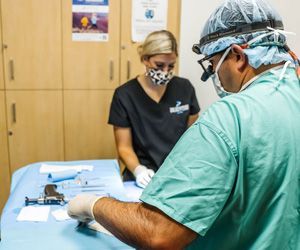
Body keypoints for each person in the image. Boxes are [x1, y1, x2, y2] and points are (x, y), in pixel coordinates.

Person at [68, 0, 300, 249]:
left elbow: (159, 234)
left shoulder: (229, 118)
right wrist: (139, 171)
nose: (215, 74)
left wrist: (93, 204)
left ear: (237, 55)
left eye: (213, 65)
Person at [108, 30, 200, 188]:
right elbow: (124, 146)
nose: (165, 71)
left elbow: (192, 137)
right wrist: (138, 171)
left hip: (176, 173)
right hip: (142, 175)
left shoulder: (184, 88)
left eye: (171, 66)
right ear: (145, 59)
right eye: (159, 65)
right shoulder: (124, 95)